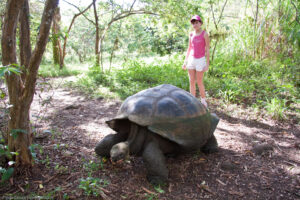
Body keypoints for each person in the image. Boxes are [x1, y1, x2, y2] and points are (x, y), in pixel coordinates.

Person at [182, 15, 210, 108]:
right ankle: (192, 101)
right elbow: (189, 48)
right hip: (191, 59)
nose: (195, 24)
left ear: (200, 23)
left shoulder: (205, 34)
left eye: (197, 22)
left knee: (199, 81)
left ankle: (203, 101)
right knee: (191, 81)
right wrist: (185, 61)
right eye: (193, 23)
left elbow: (207, 49)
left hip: (200, 60)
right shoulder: (191, 34)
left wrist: (207, 64)